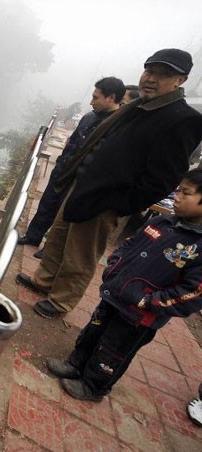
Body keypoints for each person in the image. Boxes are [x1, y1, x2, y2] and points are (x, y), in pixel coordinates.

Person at [16, 48, 202, 319]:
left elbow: (163, 179)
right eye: (150, 70)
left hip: (106, 201)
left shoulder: (181, 118)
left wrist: (117, 206)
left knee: (79, 254)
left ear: (181, 80)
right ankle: (43, 282)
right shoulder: (138, 106)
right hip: (82, 186)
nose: (152, 78)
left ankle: (60, 302)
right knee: (59, 238)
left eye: (164, 74)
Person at [44, 168, 202, 401]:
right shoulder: (162, 221)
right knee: (93, 331)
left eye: (185, 193)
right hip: (115, 296)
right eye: (178, 190)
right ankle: (75, 364)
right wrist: (114, 264)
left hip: (140, 315)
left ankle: (93, 386)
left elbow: (192, 293)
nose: (176, 196)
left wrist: (150, 301)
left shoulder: (198, 247)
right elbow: (129, 244)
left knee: (113, 350)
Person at [17, 78, 125, 252]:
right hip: (64, 170)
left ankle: (50, 249)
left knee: (64, 214)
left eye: (96, 98)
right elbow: (72, 142)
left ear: (111, 98)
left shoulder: (117, 126)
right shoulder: (89, 117)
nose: (91, 102)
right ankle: (32, 237)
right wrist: (60, 164)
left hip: (82, 179)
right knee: (47, 204)